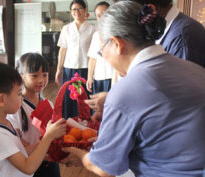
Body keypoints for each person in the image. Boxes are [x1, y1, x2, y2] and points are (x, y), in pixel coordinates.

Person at [63, 2, 205, 177]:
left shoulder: (125, 92)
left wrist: (81, 156)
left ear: (117, 43)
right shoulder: (194, 69)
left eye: (101, 51)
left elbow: (104, 168)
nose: (104, 57)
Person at [0, 62, 66, 177]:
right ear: (1, 100)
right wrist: (48, 136)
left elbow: (21, 153)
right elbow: (28, 167)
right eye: (19, 93)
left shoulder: (4, 123)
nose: (22, 99)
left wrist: (47, 150)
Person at [8, 53, 61, 177]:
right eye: (34, 76)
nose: (41, 80)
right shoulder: (16, 107)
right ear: (21, 77)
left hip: (50, 160)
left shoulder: (48, 103)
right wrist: (40, 151)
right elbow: (16, 140)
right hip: (30, 161)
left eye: (45, 75)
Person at [55, 0, 95, 118]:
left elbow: (94, 53)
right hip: (69, 69)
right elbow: (63, 50)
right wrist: (59, 69)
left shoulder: (92, 29)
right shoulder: (66, 29)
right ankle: (69, 120)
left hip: (85, 69)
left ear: (85, 11)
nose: (76, 11)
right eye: (73, 9)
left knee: (84, 97)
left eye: (79, 9)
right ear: (71, 12)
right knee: (69, 96)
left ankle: (85, 120)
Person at [87, 1, 112, 94]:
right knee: (97, 107)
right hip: (99, 77)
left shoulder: (118, 33)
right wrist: (90, 77)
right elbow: (92, 58)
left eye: (104, 14)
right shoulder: (96, 35)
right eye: (98, 15)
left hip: (113, 76)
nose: (102, 18)